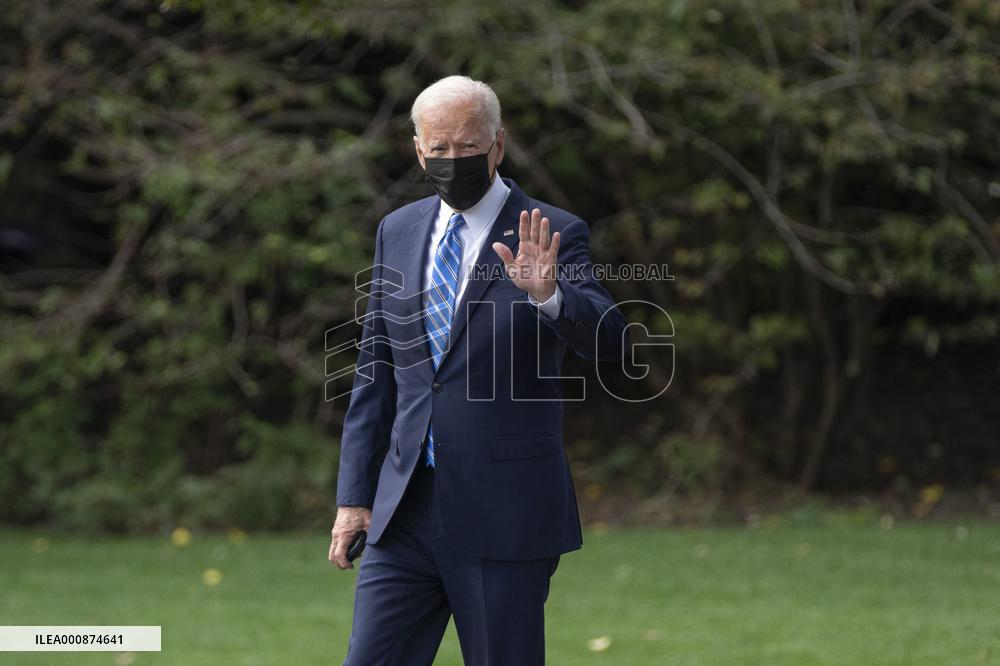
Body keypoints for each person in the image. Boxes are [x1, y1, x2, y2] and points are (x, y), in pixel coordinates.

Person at [328, 75, 627, 665]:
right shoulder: (399, 229)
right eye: (438, 148)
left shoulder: (552, 230)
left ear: (497, 145)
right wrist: (354, 497)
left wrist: (551, 297)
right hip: (404, 509)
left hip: (504, 511)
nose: (452, 159)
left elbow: (613, 342)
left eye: (467, 146)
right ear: (418, 149)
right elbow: (376, 371)